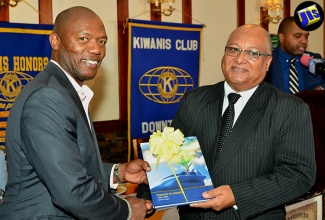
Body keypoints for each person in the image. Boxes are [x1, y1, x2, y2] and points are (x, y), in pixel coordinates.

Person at [139, 24, 316, 219]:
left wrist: (237, 195)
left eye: (252, 53)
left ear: (268, 62)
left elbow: (298, 175)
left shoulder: (290, 109)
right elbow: (169, 156)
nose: (240, 59)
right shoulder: (194, 100)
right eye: (233, 49)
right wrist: (145, 201)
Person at [0, 6, 153, 220]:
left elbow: (67, 164)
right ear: (55, 41)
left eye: (102, 41)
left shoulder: (64, 90)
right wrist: (126, 211)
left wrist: (118, 172)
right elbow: (72, 193)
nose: (96, 50)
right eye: (83, 38)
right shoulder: (47, 97)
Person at [265, 16, 325, 93]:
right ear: (281, 37)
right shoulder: (267, 61)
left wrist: (322, 88)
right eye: (298, 36)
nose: (304, 41)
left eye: (306, 36)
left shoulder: (313, 59)